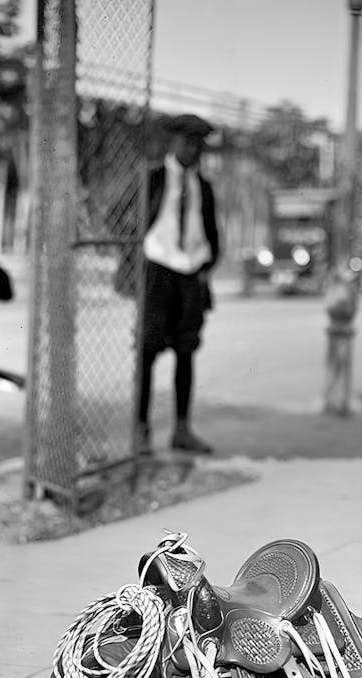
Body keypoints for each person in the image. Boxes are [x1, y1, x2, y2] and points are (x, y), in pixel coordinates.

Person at [138, 113, 221, 454]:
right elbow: (126, 219)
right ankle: (140, 432)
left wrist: (207, 264)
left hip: (191, 275)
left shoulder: (203, 186)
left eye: (199, 145)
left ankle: (182, 430)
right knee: (147, 351)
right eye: (188, 142)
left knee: (187, 353)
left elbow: (213, 233)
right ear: (173, 143)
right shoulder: (153, 178)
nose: (194, 150)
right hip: (158, 271)